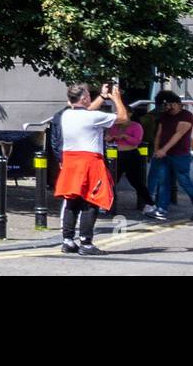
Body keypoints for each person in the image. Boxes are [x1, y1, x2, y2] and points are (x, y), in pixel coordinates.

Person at [53, 81, 130, 255]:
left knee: (72, 200)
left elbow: (86, 112)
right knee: (91, 201)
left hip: (71, 160)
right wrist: (117, 99)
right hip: (89, 161)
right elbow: (123, 118)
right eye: (88, 95)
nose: (89, 97)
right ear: (85, 98)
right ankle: (86, 243)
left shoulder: (65, 115)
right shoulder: (93, 117)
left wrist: (102, 97)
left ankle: (68, 241)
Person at [150, 91, 193, 221]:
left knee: (185, 182)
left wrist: (163, 150)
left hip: (179, 155)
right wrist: (157, 149)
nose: (165, 108)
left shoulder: (186, 116)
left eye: (167, 105)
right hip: (164, 155)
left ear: (176, 104)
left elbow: (178, 134)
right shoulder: (164, 116)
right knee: (163, 182)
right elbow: (159, 133)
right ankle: (162, 209)